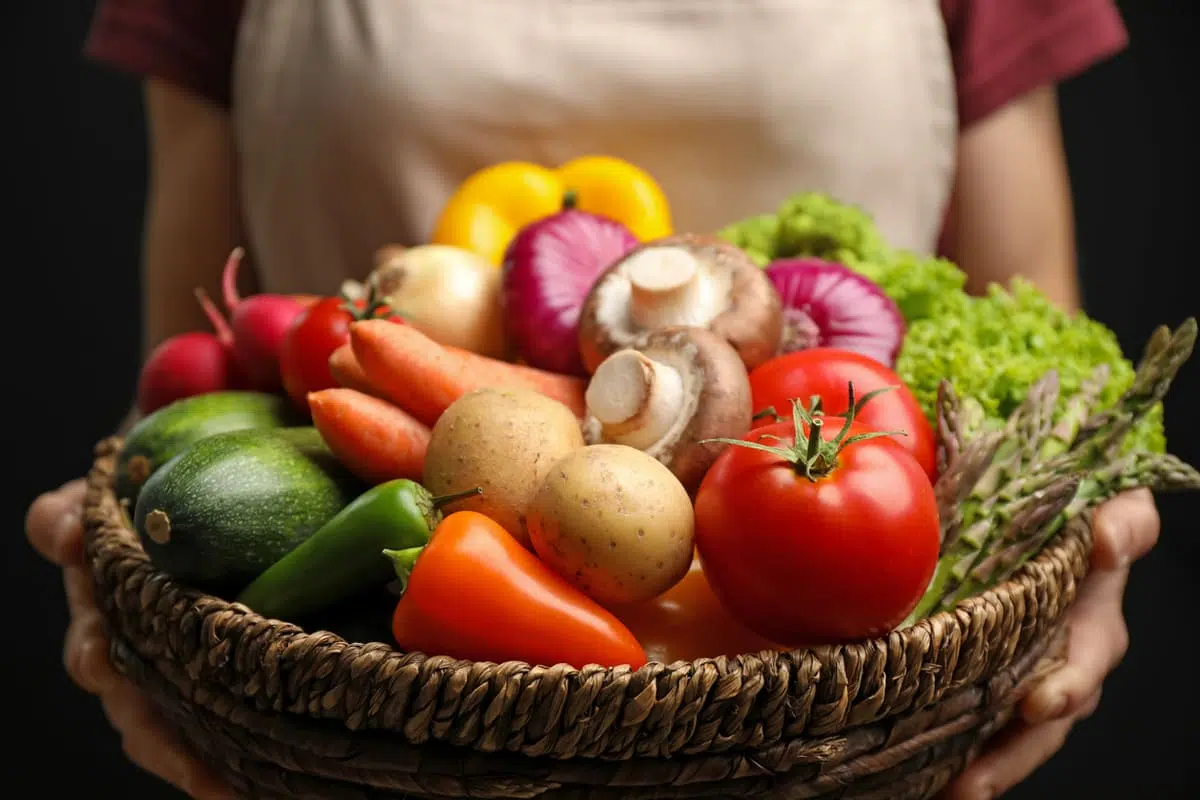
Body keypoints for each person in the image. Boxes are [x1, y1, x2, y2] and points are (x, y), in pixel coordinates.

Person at [27, 1, 1162, 798]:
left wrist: (1076, 544)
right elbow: (194, 347)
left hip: (833, 724)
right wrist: (143, 586)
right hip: (356, 703)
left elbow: (1042, 331)